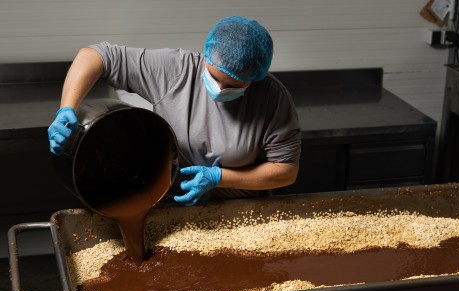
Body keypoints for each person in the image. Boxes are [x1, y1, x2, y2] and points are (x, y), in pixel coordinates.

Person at [47, 16, 301, 205]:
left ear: (254, 78)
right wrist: (66, 109)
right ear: (207, 57)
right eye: (214, 77)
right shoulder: (176, 70)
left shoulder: (272, 99)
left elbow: (285, 172)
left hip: (238, 210)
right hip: (172, 203)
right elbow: (95, 56)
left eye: (233, 84)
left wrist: (218, 177)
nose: (221, 88)